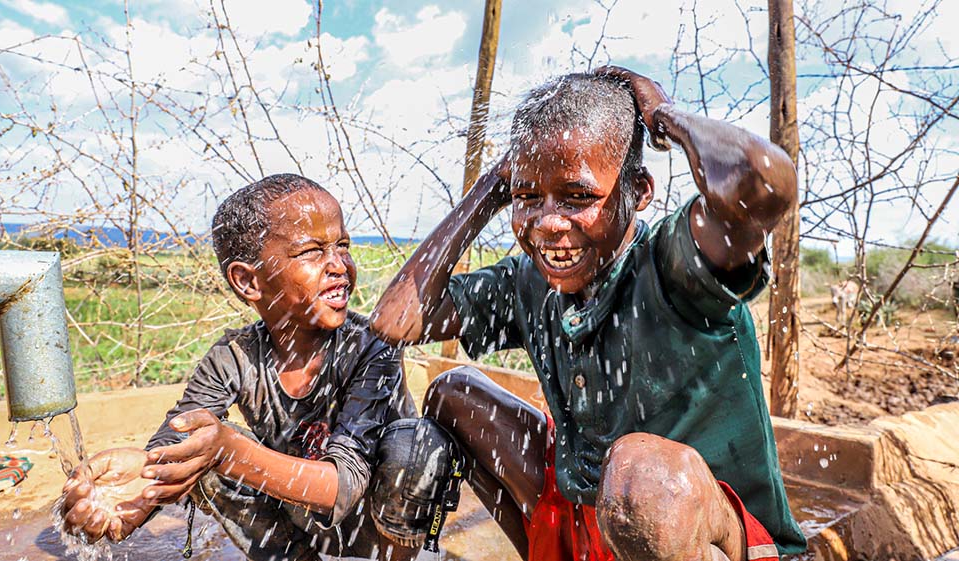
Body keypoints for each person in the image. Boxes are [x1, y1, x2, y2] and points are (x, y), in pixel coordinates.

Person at [371, 67, 807, 561]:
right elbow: (396, 319)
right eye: (529, 198)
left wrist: (664, 116)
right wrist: (494, 186)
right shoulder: (528, 283)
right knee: (455, 394)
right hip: (590, 519)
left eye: (578, 197)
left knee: (638, 477)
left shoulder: (674, 266)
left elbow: (764, 184)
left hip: (707, 536)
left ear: (639, 190)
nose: (548, 223)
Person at [59, 174, 453, 561]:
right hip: (301, 526)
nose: (339, 265)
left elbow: (346, 485)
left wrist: (228, 451)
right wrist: (132, 489)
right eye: (312, 252)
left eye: (343, 245)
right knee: (201, 441)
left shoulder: (371, 345)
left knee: (417, 443)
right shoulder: (234, 356)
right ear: (248, 281)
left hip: (378, 529)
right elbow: (174, 442)